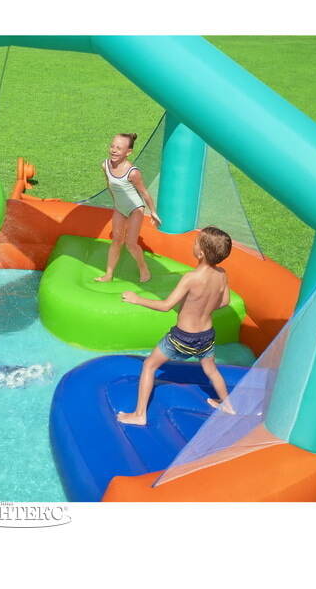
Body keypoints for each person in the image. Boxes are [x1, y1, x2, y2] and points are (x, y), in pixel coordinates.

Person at [117, 226, 236, 425]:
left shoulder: (191, 278)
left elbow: (166, 306)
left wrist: (137, 299)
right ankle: (228, 405)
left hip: (183, 337)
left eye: (196, 241)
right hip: (206, 335)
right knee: (211, 370)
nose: (193, 243)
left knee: (149, 365)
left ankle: (139, 415)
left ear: (201, 253)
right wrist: (201, 308)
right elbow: (224, 301)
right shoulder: (222, 274)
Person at [95, 133, 161, 283]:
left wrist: (153, 212)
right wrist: (116, 202)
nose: (114, 150)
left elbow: (144, 193)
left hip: (135, 209)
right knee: (116, 241)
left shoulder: (133, 172)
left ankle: (144, 269)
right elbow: (110, 184)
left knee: (131, 244)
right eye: (112, 146)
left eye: (119, 148)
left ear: (128, 152)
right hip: (120, 208)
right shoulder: (105, 165)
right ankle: (108, 275)